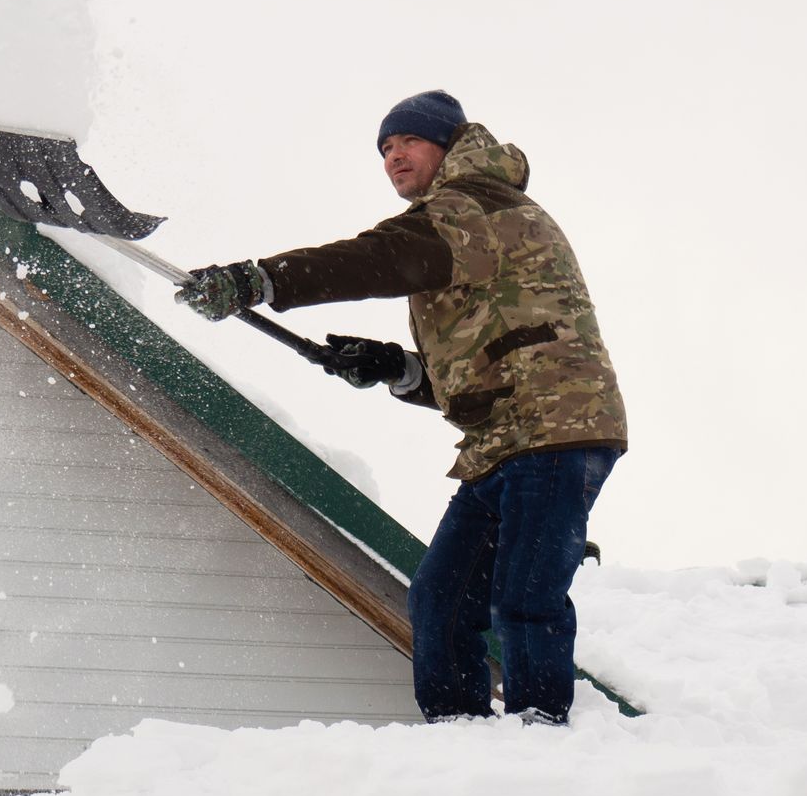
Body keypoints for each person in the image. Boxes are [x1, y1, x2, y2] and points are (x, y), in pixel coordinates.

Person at [175, 90, 627, 725]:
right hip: (502, 441)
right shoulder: (457, 221)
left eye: (407, 142)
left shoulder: (477, 206)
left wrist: (262, 280)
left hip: (556, 431)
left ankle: (542, 735)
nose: (393, 157)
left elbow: (379, 258)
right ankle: (457, 733)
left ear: (447, 144)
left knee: (525, 596)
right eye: (385, 149)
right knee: (441, 599)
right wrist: (394, 367)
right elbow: (470, 374)